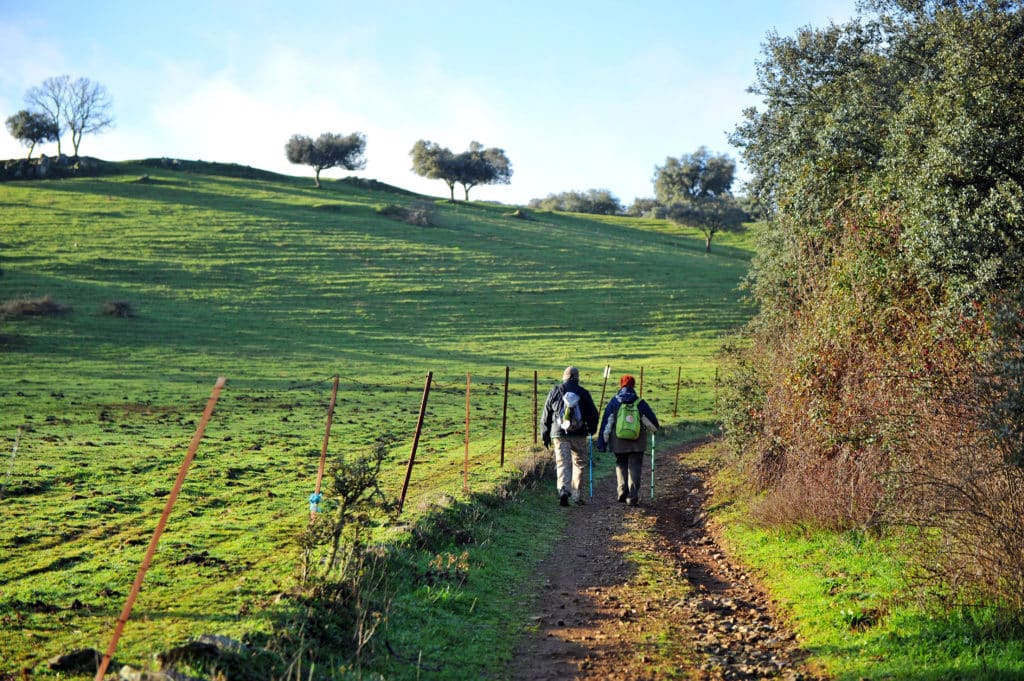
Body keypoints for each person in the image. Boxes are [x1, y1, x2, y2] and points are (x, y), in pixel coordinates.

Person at [596, 374, 659, 506]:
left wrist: (602, 443)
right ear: (633, 385)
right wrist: (653, 431)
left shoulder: (614, 402)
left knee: (621, 463)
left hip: (618, 442)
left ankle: (621, 491)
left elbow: (607, 424)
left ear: (621, 385)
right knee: (635, 466)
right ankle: (632, 496)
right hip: (637, 442)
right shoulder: (640, 402)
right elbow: (652, 425)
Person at [540, 366, 600, 506]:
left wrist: (545, 435)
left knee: (562, 463)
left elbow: (546, 414)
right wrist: (591, 430)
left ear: (564, 377)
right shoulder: (583, 393)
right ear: (577, 378)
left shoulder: (555, 391)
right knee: (579, 464)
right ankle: (577, 495)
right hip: (579, 434)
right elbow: (593, 414)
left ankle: (563, 490)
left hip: (559, 434)